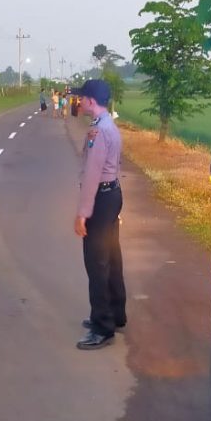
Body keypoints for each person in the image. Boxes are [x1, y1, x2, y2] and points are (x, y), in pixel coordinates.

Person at [73, 79, 125, 350]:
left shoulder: (98, 132)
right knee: (112, 257)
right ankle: (116, 313)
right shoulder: (109, 126)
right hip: (112, 194)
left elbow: (92, 175)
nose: (79, 102)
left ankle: (102, 326)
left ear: (91, 100)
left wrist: (83, 213)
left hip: (101, 198)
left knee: (97, 262)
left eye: (82, 98)